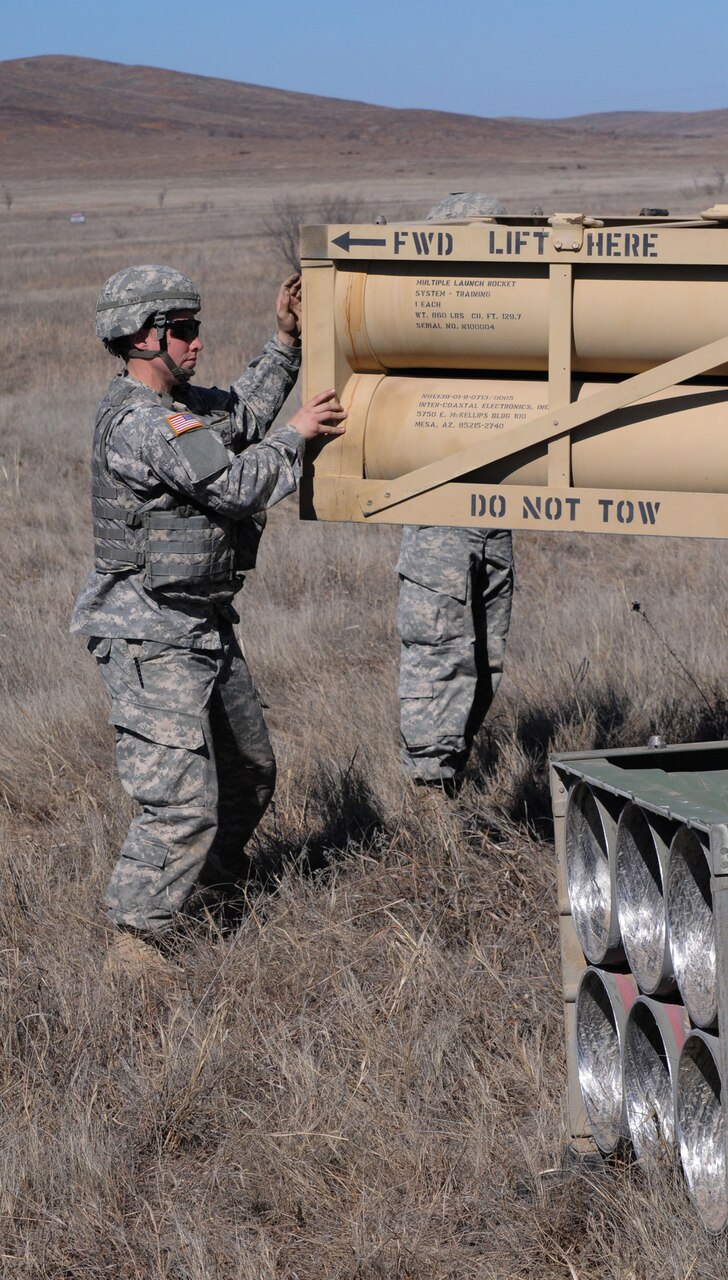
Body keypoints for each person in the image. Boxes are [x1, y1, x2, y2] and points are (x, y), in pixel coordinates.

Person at [72, 264, 345, 969]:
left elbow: (239, 417)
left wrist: (284, 342)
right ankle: (135, 948)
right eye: (184, 331)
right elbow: (235, 483)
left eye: (196, 328)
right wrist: (300, 434)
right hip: (148, 635)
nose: (196, 342)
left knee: (249, 773)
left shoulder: (183, 409)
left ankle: (210, 902)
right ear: (142, 337)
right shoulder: (142, 423)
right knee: (181, 807)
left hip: (200, 627)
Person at [397, 194, 515, 791]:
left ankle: (455, 769)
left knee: (488, 654)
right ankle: (427, 793)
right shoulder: (414, 316)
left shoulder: (511, 316)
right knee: (440, 649)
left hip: (498, 507)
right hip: (439, 508)